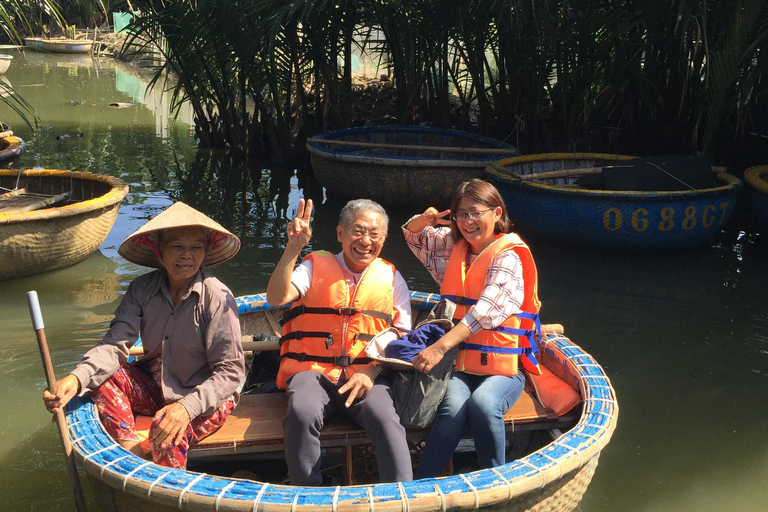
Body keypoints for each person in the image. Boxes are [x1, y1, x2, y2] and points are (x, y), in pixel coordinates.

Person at [42, 202, 246, 469]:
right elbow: (115, 345)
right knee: (103, 378)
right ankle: (132, 456)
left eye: (196, 247)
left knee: (167, 430)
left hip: (205, 397)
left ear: (205, 251)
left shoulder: (216, 296)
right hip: (155, 385)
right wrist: (75, 379)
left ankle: (166, 491)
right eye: (177, 247)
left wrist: (186, 408)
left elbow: (231, 371)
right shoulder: (141, 289)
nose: (187, 255)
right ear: (158, 250)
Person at [267, 198, 413, 486]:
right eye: (357, 230)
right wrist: (293, 249)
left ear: (384, 238)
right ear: (340, 233)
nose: (365, 240)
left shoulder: (392, 277)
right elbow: (275, 298)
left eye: (374, 233)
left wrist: (372, 372)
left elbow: (402, 335)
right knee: (302, 410)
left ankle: (401, 496)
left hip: (366, 375)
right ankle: (306, 494)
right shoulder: (313, 267)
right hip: (313, 373)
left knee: (385, 418)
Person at [402, 179, 542, 478]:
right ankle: (421, 489)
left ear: (497, 212)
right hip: (461, 365)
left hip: (504, 368)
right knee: (450, 411)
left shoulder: (509, 256)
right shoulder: (454, 248)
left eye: (476, 212)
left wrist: (438, 347)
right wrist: (422, 220)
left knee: (483, 403)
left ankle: (496, 483)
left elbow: (485, 311)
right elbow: (413, 237)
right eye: (461, 214)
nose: (467, 221)